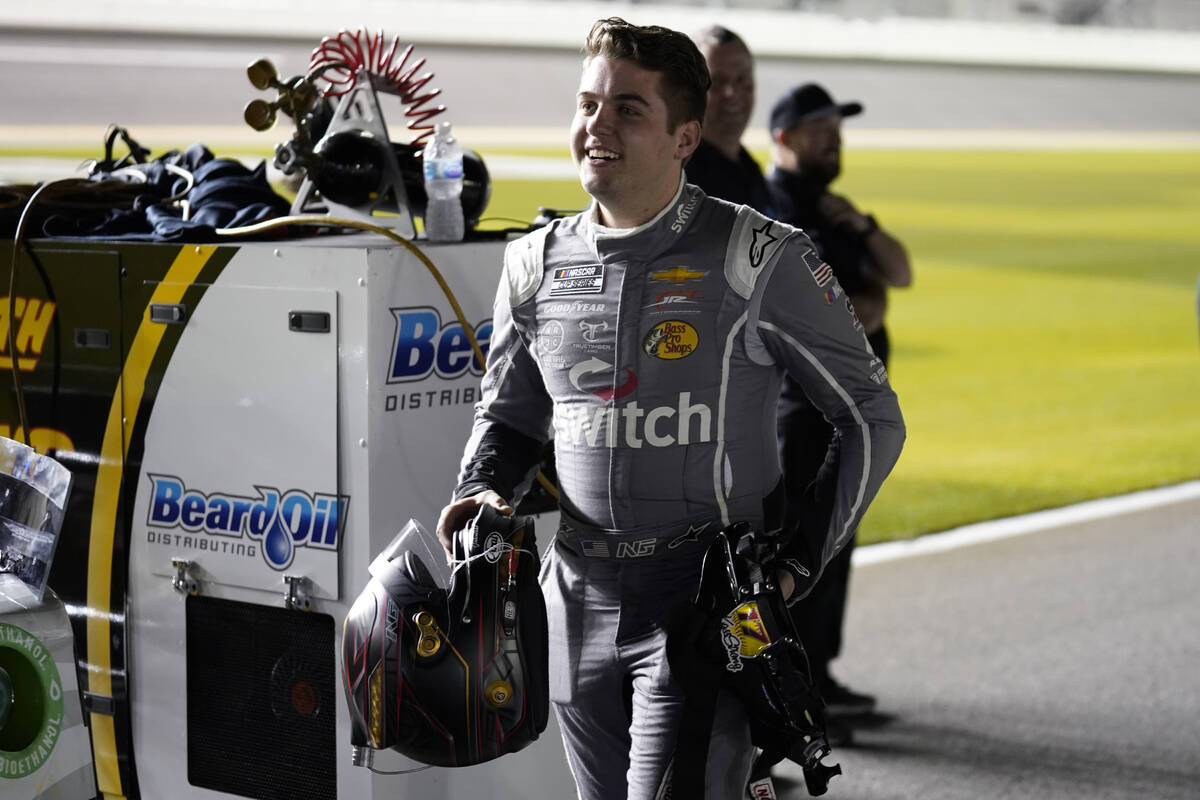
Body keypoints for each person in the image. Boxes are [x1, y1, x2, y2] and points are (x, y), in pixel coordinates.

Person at [436, 19, 905, 800]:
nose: (597, 126)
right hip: (574, 595)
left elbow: (870, 414)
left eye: (628, 109)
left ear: (686, 137)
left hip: (704, 607)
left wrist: (794, 564)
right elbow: (511, 416)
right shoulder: (531, 262)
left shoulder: (760, 256)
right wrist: (480, 488)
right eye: (588, 104)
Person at [766, 82, 913, 719]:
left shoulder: (831, 207)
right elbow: (852, 308)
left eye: (838, 128)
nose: (834, 138)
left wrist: (865, 226)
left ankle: (819, 680)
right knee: (797, 549)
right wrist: (870, 304)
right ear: (785, 137)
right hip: (801, 413)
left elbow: (899, 270)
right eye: (820, 127)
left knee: (833, 540)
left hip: (846, 415)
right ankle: (791, 693)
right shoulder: (776, 208)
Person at [685, 25, 772, 214]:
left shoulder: (747, 166)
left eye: (743, 80)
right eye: (717, 82)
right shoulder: (678, 176)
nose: (732, 93)